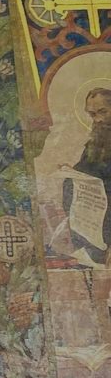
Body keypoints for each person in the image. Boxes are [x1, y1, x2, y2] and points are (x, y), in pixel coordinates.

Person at [63, 87, 111, 261]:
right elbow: (87, 168)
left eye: (103, 112)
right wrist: (72, 172)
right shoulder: (97, 140)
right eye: (92, 115)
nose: (98, 119)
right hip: (98, 219)